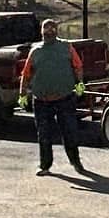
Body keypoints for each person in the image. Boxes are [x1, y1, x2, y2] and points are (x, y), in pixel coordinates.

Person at [20, 19, 86, 176]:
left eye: (52, 29)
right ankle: (45, 165)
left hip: (65, 98)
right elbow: (26, 73)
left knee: (69, 132)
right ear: (41, 32)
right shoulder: (35, 51)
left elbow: (78, 66)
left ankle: (76, 162)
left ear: (56, 31)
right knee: (44, 134)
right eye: (45, 29)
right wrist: (22, 94)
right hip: (41, 100)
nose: (48, 32)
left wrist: (80, 85)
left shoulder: (66, 47)